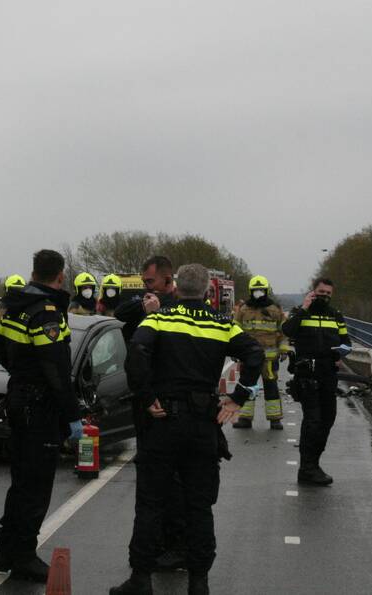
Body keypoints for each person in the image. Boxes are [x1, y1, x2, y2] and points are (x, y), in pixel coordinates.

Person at [110, 264, 265, 595]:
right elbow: (255, 354)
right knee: (199, 506)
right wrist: (237, 398)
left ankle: (141, 579)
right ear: (208, 291)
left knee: (150, 503)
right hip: (202, 425)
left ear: (176, 288)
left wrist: (147, 395)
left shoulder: (159, 318)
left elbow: (137, 351)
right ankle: (199, 581)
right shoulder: (222, 323)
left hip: (163, 420)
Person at [0, 250, 85, 582]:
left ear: (33, 273)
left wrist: (21, 374)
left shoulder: (16, 307)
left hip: (18, 399)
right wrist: (73, 417)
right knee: (36, 485)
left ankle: (5, 550)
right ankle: (24, 555)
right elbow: (57, 372)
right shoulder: (46, 313)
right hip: (38, 407)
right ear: (60, 277)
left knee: (21, 481)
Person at [114, 255, 187, 571]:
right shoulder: (142, 304)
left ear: (168, 282)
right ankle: (155, 544)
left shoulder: (178, 308)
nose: (145, 288)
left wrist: (159, 315)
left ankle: (176, 544)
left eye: (150, 282)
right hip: (145, 399)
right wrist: (145, 308)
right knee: (150, 480)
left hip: (168, 401)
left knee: (170, 481)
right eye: (143, 283)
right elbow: (119, 313)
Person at [281, 277, 351, 486]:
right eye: (321, 292)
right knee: (313, 420)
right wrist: (304, 308)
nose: (325, 296)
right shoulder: (300, 312)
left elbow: (346, 341)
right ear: (313, 291)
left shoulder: (336, 315)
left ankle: (314, 463)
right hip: (307, 373)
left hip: (328, 373)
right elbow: (287, 331)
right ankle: (307, 468)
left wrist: (341, 354)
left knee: (328, 418)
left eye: (328, 293)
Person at [231, 275, 289, 430]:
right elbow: (234, 331)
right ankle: (245, 418)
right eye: (255, 290)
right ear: (251, 291)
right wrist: (234, 350)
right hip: (248, 358)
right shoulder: (243, 310)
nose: (258, 293)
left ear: (266, 291)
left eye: (260, 290)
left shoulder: (275, 310)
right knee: (247, 387)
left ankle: (275, 419)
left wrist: (284, 350)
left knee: (271, 388)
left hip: (268, 359)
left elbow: (283, 332)